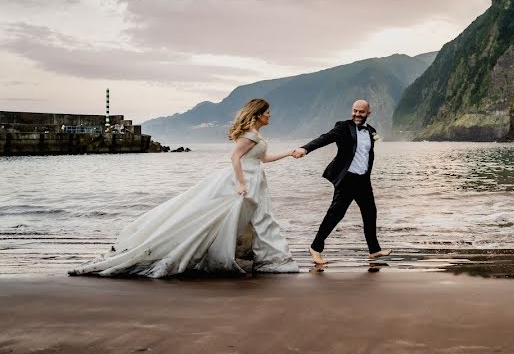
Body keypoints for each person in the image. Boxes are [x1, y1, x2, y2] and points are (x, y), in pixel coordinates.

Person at [69, 98, 300, 278]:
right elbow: (234, 158)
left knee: (258, 220)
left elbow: (264, 159)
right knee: (216, 220)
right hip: (244, 182)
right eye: (268, 112)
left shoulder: (257, 135)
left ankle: (262, 258)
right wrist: (241, 183)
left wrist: (289, 153)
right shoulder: (250, 135)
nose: (270, 115)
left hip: (256, 180)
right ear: (258, 114)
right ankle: (218, 254)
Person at [293, 99, 391, 265]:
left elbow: (368, 153)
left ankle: (374, 250)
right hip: (347, 178)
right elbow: (325, 138)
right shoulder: (343, 127)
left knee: (370, 213)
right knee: (335, 214)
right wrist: (305, 148)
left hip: (363, 179)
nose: (357, 114)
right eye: (355, 111)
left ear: (368, 113)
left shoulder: (371, 131)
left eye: (361, 111)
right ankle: (315, 248)